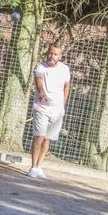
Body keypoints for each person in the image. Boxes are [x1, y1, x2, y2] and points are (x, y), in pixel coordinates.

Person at [28, 44, 71, 179]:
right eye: (50, 53)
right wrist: (41, 91)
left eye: (55, 54)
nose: (52, 56)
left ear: (60, 56)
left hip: (57, 110)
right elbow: (38, 80)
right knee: (39, 136)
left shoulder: (64, 69)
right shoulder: (41, 67)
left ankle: (39, 166)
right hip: (42, 107)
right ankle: (33, 167)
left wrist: (63, 102)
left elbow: (67, 85)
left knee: (47, 139)